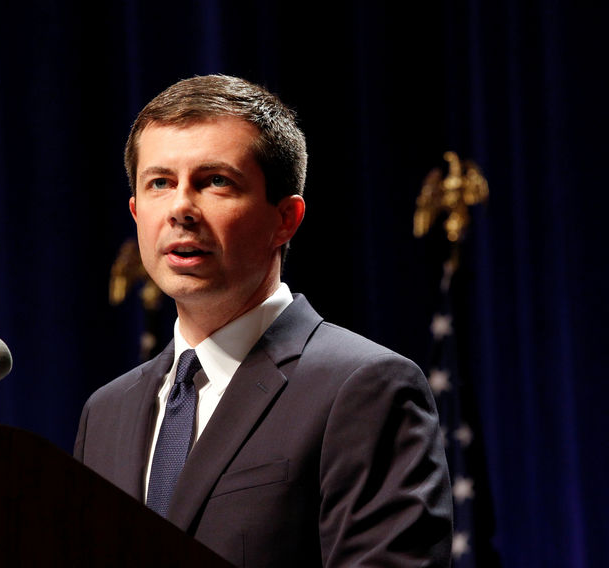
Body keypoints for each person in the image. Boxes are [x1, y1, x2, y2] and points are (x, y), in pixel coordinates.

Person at [74, 75, 453, 567]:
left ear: (286, 219)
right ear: (135, 211)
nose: (181, 208)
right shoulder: (106, 413)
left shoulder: (363, 388)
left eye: (215, 181)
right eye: (160, 183)